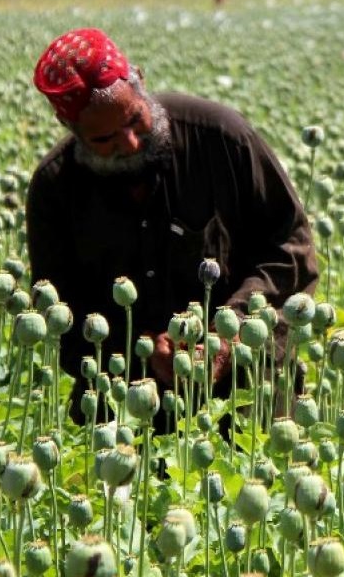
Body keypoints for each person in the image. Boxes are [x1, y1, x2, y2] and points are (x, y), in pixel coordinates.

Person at [26, 28, 317, 429]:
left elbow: (290, 247)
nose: (128, 143)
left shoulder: (222, 139)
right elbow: (59, 313)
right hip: (126, 408)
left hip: (249, 392)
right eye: (105, 138)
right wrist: (142, 349)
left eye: (134, 120)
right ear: (68, 125)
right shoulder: (55, 189)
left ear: (139, 81)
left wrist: (228, 334)